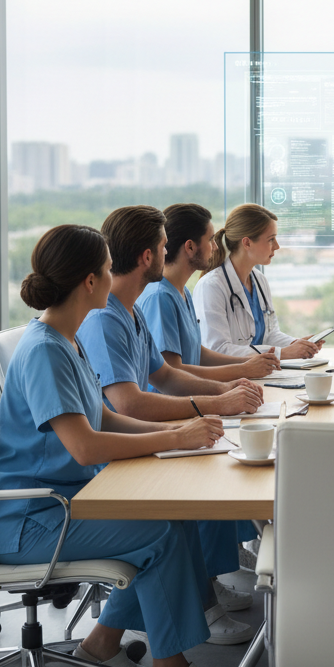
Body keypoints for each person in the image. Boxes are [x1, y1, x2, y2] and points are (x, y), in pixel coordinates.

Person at [0, 224, 243, 667]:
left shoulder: (66, 339)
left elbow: (105, 416)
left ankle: (101, 644)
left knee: (169, 517)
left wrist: (182, 434)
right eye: (105, 270)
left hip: (59, 503)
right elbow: (84, 447)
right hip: (30, 520)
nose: (112, 277)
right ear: (88, 282)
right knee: (160, 531)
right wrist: (174, 435)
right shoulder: (44, 350)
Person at [77, 205, 262, 644]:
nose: (167, 252)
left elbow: (163, 374)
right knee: (176, 516)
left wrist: (222, 395)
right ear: (148, 256)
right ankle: (192, 620)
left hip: (128, 439)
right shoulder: (106, 319)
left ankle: (111, 637)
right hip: (111, 459)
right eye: (163, 246)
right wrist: (193, 420)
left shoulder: (130, 310)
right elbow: (129, 403)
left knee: (195, 490)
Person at [137, 203, 282, 383]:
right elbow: (172, 372)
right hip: (174, 404)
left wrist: (249, 363)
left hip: (190, 398)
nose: (215, 247)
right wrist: (240, 372)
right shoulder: (160, 297)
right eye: (210, 240)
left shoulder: (182, 293)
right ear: (190, 247)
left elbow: (199, 354)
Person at [192, 202, 322, 359]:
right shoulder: (211, 286)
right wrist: (284, 353)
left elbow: (270, 335)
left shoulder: (259, 280)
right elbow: (218, 350)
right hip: (229, 378)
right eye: (271, 239)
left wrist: (296, 344)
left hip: (257, 374)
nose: (277, 246)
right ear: (247, 243)